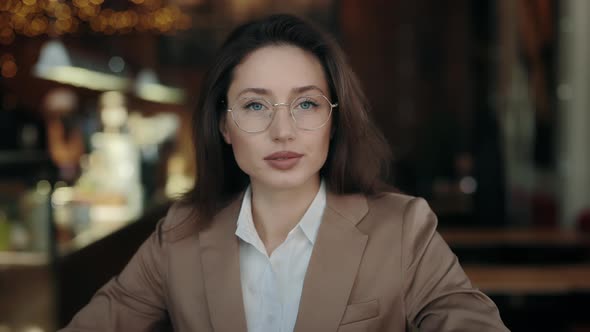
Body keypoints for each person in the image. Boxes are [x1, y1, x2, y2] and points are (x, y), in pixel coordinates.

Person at [60, 14, 509, 332]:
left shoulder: (403, 228)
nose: (283, 131)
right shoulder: (178, 237)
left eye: (307, 104)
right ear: (224, 126)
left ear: (335, 121)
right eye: (255, 105)